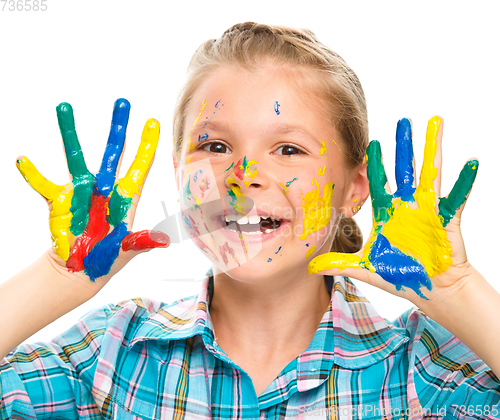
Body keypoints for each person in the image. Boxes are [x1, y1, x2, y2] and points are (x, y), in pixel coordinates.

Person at [1, 21, 499, 419]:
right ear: (179, 178)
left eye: (288, 149)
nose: (243, 177)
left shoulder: (419, 371)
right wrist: (58, 277)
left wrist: (458, 291)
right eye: (215, 147)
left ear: (354, 189)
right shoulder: (113, 353)